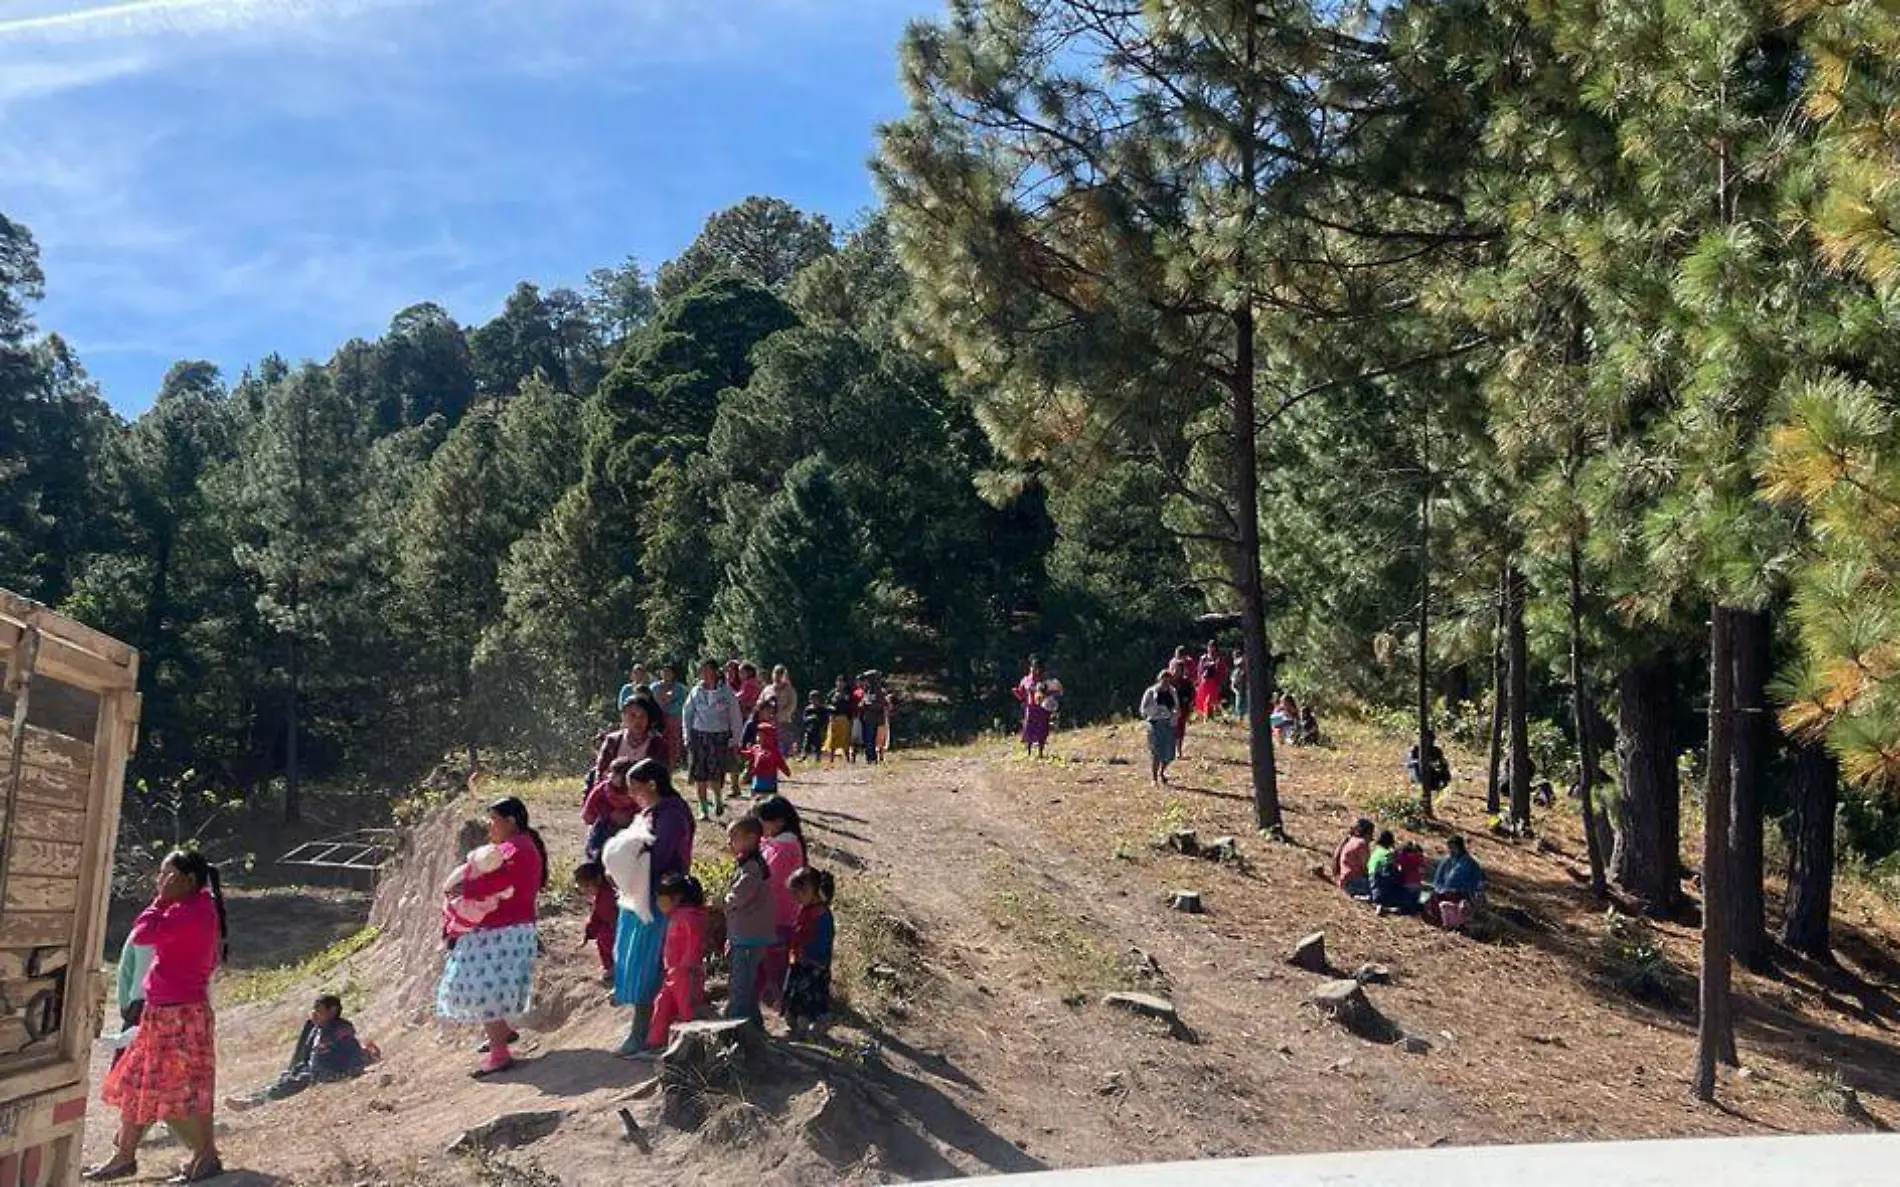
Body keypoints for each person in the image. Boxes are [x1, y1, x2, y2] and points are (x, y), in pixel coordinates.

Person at [87, 849, 228, 1183]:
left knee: (182, 1090)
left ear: (187, 881)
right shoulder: (194, 908)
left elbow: (143, 934)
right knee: (138, 1083)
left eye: (166, 876)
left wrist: (159, 901)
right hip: (165, 1013)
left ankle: (205, 1156)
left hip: (179, 1016)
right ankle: (124, 1157)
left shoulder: (190, 913)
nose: (159, 882)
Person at [435, 798, 547, 1077]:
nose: (489, 825)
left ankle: (500, 1054)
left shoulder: (516, 848)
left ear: (510, 821)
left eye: (493, 819)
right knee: (486, 987)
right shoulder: (518, 845)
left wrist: (466, 887)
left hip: (503, 931)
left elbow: (503, 883)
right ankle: (502, 1034)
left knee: (481, 991)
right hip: (505, 929)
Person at [607, 758, 697, 1056]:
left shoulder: (672, 814)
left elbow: (658, 856)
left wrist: (628, 862)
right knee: (638, 962)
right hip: (643, 896)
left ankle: (645, 1033)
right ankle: (646, 1029)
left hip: (660, 899)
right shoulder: (651, 811)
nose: (631, 794)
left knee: (650, 965)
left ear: (652, 785)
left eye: (635, 788)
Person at [225, 994, 372, 1111]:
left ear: (332, 1011)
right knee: (285, 1079)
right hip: (311, 1069)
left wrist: (354, 1069)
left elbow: (352, 1050)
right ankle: (252, 1097)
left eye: (319, 1010)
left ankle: (252, 1103)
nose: (314, 1014)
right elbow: (305, 1054)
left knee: (292, 1084)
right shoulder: (315, 1029)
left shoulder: (340, 1029)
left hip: (329, 1071)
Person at [644, 873, 709, 1052]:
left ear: (676, 898)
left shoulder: (688, 916)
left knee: (686, 1009)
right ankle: (655, 1042)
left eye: (661, 899)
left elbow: (694, 942)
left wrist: (688, 965)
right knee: (663, 1003)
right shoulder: (677, 915)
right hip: (673, 971)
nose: (658, 903)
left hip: (685, 972)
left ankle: (692, 1047)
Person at [755, 796, 806, 1013]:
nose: (760, 827)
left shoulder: (785, 847)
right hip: (770, 914)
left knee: (775, 965)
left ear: (779, 822)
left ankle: (783, 1006)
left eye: (763, 822)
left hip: (779, 915)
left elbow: (770, 878)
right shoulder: (776, 843)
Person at [724, 817, 774, 1024]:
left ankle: (735, 1022)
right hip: (747, 934)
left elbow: (739, 896)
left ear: (752, 838)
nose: (729, 843)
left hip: (748, 936)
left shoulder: (752, 868)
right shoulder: (750, 864)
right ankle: (753, 1021)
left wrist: (723, 901)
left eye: (733, 837)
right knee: (747, 981)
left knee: (740, 982)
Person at [683, 660, 745, 821]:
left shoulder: (726, 692)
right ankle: (703, 807)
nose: (704, 674)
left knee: (715, 772)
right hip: (699, 735)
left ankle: (718, 799)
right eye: (702, 670)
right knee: (700, 774)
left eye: (707, 670)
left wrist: (736, 738)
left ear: (715, 671)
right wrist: (687, 735)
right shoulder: (696, 691)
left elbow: (735, 715)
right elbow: (687, 714)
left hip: (719, 736)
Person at [783, 867, 836, 1039]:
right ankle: (798, 1025)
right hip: (800, 962)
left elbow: (823, 942)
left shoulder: (823, 916)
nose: (796, 898)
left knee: (812, 999)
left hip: (814, 966)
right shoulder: (805, 911)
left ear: (812, 892)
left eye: (799, 893)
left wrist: (808, 954)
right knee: (796, 997)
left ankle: (817, 1025)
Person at [581, 757, 639, 862]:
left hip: (629, 826)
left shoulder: (636, 792)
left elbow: (642, 808)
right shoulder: (602, 790)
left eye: (616, 774)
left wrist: (630, 816)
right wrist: (606, 814)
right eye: (611, 773)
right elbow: (590, 807)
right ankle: (592, 859)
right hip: (605, 825)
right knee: (597, 835)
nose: (611, 776)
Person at [109, 934, 154, 1070]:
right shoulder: (184, 931)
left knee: (124, 1067)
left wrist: (124, 1003)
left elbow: (125, 971)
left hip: (139, 1004)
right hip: (173, 1006)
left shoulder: (140, 931)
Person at [1427, 836, 1486, 929]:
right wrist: (1441, 889)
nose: (1451, 850)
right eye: (1449, 847)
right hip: (1444, 891)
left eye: (1453, 847)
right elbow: (1439, 878)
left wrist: (1463, 891)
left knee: (1456, 904)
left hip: (1462, 893)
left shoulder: (1469, 863)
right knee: (1433, 899)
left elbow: (1476, 881)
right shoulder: (1446, 861)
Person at [575, 862, 617, 980]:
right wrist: (588, 934)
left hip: (617, 927)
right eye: (583, 887)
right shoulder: (599, 897)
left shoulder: (609, 894)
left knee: (605, 938)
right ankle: (609, 966)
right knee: (602, 939)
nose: (586, 890)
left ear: (598, 880)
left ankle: (616, 965)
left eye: (588, 886)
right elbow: (596, 917)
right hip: (610, 925)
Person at [1139, 670, 1180, 786]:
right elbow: (1143, 710)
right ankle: (1154, 778)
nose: (1166, 683)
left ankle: (1162, 772)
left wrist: (1175, 713)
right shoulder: (1151, 692)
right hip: (1155, 724)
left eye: (1168, 681)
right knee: (1156, 752)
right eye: (1164, 680)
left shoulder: (1172, 691)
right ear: (1159, 679)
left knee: (1169, 753)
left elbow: (1177, 707)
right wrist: (1155, 708)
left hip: (1168, 723)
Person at [649, 664, 689, 772]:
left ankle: (671, 768)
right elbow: (650, 702)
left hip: (674, 721)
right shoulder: (654, 687)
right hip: (657, 720)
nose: (666, 674)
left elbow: (683, 704)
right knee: (657, 743)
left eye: (669, 672)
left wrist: (668, 705)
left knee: (673, 745)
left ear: (673, 674)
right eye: (664, 671)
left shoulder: (680, 688)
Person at [1332, 818, 1375, 898]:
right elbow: (1366, 868)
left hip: (1344, 880)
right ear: (1368, 833)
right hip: (1353, 882)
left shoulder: (1351, 840)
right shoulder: (1362, 844)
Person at [1406, 731, 1452, 796]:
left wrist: (1439, 765)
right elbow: (1410, 763)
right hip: (1419, 773)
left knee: (1444, 769)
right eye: (1428, 739)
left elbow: (1442, 762)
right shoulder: (1415, 749)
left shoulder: (1436, 750)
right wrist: (1422, 762)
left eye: (1431, 739)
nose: (1430, 741)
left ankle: (1439, 787)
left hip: (1432, 773)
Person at [857, 672, 889, 764]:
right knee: (868, 740)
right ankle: (870, 758)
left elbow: (881, 705)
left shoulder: (879, 691)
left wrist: (868, 705)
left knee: (875, 740)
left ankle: (873, 758)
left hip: (877, 720)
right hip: (868, 719)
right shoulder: (867, 690)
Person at [1168, 654, 1195, 759]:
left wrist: (1188, 702)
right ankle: (1170, 750)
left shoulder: (1187, 682)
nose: (1177, 672)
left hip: (1182, 709)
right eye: (1176, 669)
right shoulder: (1168, 681)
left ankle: (1179, 751)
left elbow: (1192, 694)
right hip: (1169, 710)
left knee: (1180, 730)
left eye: (1180, 670)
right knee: (1170, 729)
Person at [1195, 641, 1229, 720]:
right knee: (1202, 699)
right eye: (1209, 646)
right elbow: (1199, 670)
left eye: (1212, 647)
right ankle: (1203, 716)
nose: (1211, 648)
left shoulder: (1219, 658)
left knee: (1211, 700)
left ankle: (1210, 717)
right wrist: (1198, 681)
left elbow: (1223, 671)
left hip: (1214, 682)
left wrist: (1221, 682)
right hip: (1204, 682)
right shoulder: (1203, 658)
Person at [826, 677, 856, 765]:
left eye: (842, 682)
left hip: (844, 718)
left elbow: (850, 705)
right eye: (838, 682)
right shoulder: (832, 693)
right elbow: (827, 704)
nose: (840, 684)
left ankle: (847, 758)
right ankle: (831, 759)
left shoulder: (848, 693)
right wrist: (830, 708)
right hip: (834, 718)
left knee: (845, 739)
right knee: (833, 739)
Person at [772, 665, 800, 759]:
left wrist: (783, 714)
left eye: (780, 674)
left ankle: (785, 757)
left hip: (784, 719)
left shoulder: (789, 689)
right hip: (770, 719)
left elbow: (792, 704)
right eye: (776, 673)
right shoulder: (770, 688)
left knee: (784, 739)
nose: (777, 676)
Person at [1021, 682, 1052, 759]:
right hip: (1041, 719)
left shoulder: (1039, 697)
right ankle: (1037, 753)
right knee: (1040, 736)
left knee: (1033, 735)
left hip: (1038, 718)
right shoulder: (1044, 697)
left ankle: (1031, 753)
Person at [801, 689, 829, 761]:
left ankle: (818, 757)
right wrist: (810, 718)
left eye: (815, 699)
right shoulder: (808, 709)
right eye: (812, 699)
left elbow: (826, 719)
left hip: (819, 730)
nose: (814, 701)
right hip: (809, 729)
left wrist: (821, 724)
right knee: (806, 743)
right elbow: (804, 719)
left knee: (818, 744)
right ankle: (804, 756)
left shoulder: (822, 709)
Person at [1230, 647, 1248, 720]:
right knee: (1239, 707)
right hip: (1240, 691)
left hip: (1245, 690)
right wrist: (1236, 691)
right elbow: (1233, 684)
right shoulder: (1236, 672)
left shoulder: (1244, 669)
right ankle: (1240, 719)